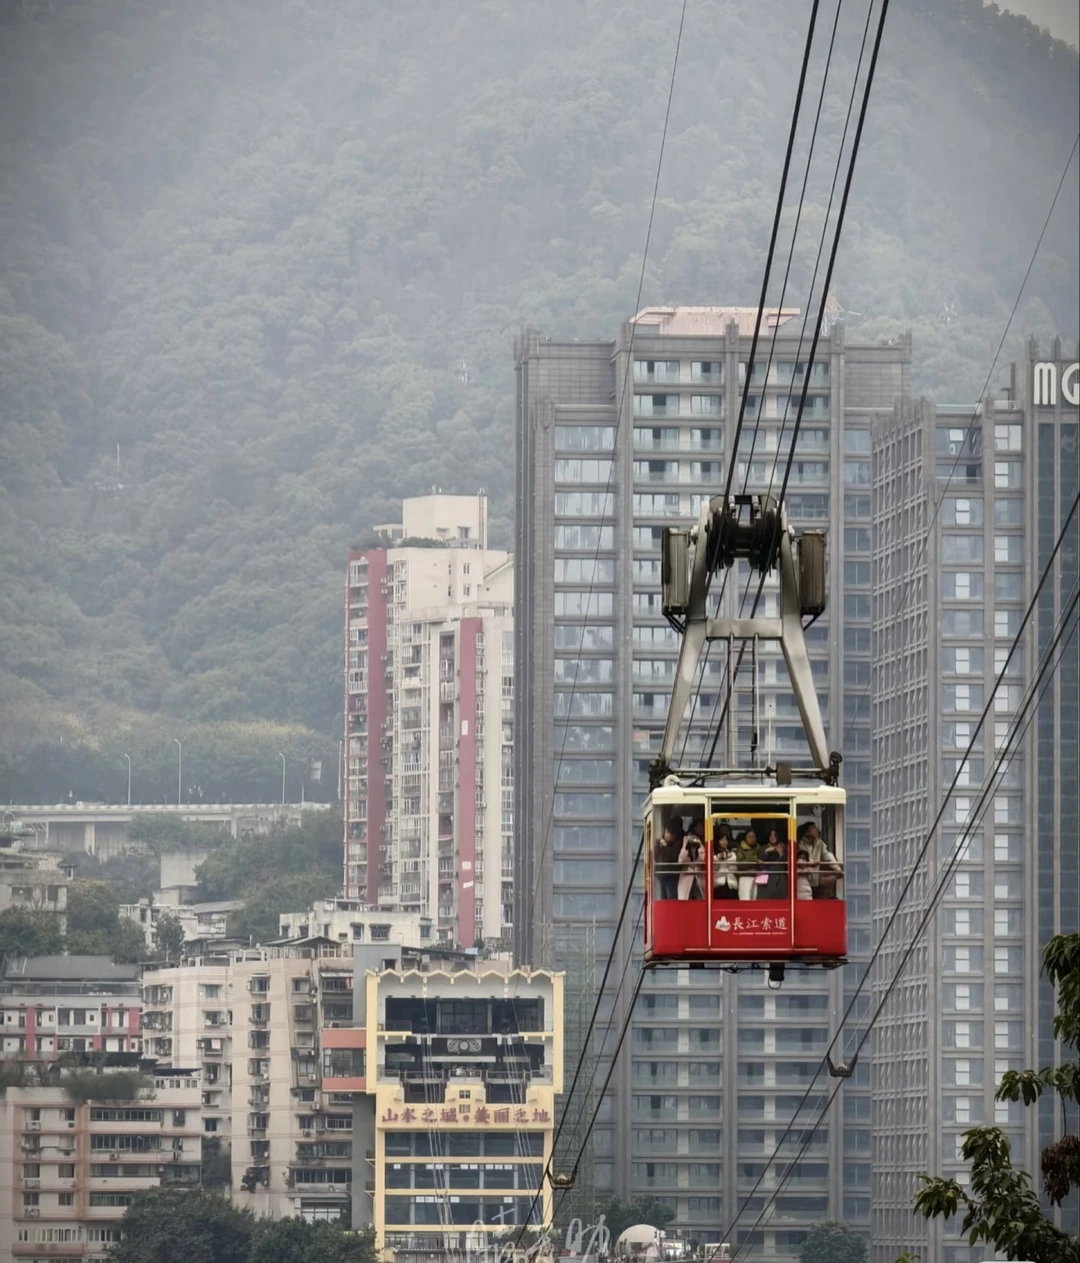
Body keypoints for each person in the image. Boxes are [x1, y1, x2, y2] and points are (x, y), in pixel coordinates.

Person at [800, 821, 842, 898]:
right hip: (805, 881)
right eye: (813, 828)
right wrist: (812, 863)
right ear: (807, 833)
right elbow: (802, 860)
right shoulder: (801, 844)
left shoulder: (820, 843)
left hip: (816, 880)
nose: (816, 830)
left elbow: (827, 856)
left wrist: (837, 869)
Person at [757, 827, 788, 899]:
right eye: (771, 835)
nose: (772, 837)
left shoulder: (783, 847)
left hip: (780, 878)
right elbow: (760, 860)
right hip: (767, 877)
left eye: (774, 835)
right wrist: (766, 852)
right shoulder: (764, 847)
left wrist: (781, 854)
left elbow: (786, 862)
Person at [654, 824, 681, 901]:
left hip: (671, 875)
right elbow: (656, 857)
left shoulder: (677, 844)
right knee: (663, 898)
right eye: (665, 832)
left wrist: (665, 846)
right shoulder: (660, 843)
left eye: (668, 832)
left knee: (671, 898)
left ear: (674, 835)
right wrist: (658, 846)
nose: (666, 835)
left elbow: (672, 857)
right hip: (661, 875)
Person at [712, 824, 738, 900]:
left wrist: (729, 857)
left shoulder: (733, 853)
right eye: (722, 839)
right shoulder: (714, 854)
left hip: (732, 884)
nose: (724, 842)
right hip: (719, 884)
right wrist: (718, 858)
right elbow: (713, 868)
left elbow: (734, 869)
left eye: (726, 840)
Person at [677, 831, 706, 900]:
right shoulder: (684, 848)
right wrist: (684, 845)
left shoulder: (699, 848)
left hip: (698, 879)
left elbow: (704, 859)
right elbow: (681, 860)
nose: (691, 839)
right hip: (686, 879)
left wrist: (700, 844)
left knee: (700, 901)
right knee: (685, 901)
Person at [735, 829, 760, 901]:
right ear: (745, 838)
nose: (751, 839)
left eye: (753, 836)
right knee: (745, 900)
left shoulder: (759, 848)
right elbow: (740, 865)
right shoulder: (741, 849)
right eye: (749, 837)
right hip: (745, 877)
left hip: (757, 877)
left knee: (755, 900)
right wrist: (754, 861)